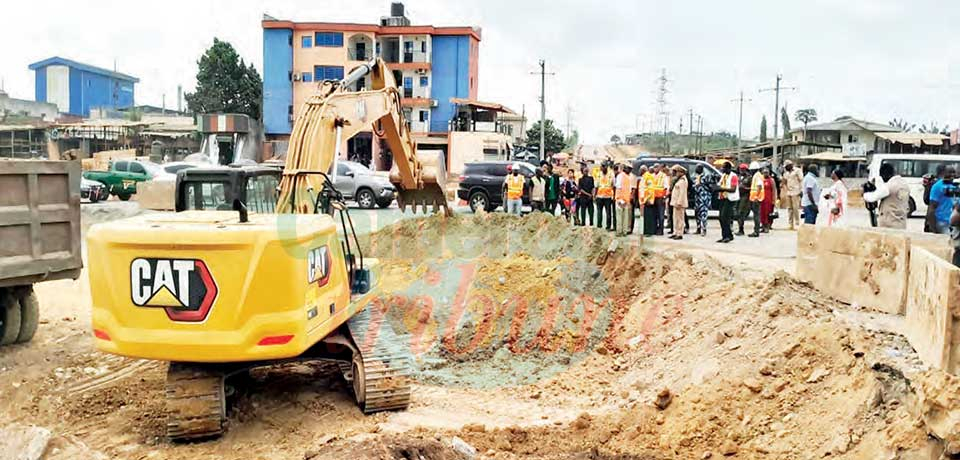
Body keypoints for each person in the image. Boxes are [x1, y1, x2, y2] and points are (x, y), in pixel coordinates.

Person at [864, 163, 910, 229]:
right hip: (901, 223)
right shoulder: (904, 184)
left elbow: (873, 197)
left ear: (886, 175)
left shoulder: (889, 187)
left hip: (889, 224)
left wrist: (864, 194)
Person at [927, 166, 958, 235]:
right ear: (943, 173)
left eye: (953, 172)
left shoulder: (955, 186)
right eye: (949, 172)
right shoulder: (937, 186)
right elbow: (931, 208)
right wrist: (934, 229)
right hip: (942, 223)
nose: (952, 175)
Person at [716, 161, 740, 243]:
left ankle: (727, 236)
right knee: (721, 218)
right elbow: (720, 184)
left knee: (725, 217)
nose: (722, 169)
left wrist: (721, 189)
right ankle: (726, 236)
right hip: (723, 198)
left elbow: (733, 189)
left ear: (728, 168)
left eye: (724, 167)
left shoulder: (734, 176)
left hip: (730, 199)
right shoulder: (724, 175)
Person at [780, 160, 803, 230]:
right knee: (789, 208)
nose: (785, 168)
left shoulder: (797, 171)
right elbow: (784, 182)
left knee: (795, 208)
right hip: (789, 192)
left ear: (790, 165)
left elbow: (801, 180)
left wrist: (801, 190)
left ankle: (797, 223)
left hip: (796, 191)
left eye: (786, 166)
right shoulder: (786, 173)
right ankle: (790, 224)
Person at [669, 165, 689, 240]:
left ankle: (679, 233)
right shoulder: (679, 180)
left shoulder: (683, 181)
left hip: (679, 203)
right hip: (675, 202)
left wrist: (679, 202)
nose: (676, 173)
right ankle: (675, 232)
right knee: (675, 218)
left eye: (677, 172)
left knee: (680, 218)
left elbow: (682, 193)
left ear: (681, 172)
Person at [747, 162, 765, 237]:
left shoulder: (757, 176)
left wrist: (756, 197)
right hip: (756, 198)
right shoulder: (757, 175)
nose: (750, 171)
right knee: (756, 215)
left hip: (756, 199)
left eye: (751, 170)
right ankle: (756, 230)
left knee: (756, 215)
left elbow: (759, 186)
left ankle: (756, 231)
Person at [693, 164, 712, 237]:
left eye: (698, 168)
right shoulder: (696, 177)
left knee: (703, 213)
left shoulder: (705, 177)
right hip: (697, 197)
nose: (696, 169)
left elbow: (708, 186)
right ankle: (698, 228)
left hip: (704, 197)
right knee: (697, 213)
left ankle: (704, 229)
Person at [614, 163, 633, 236]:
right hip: (626, 200)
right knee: (625, 217)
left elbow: (618, 187)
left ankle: (619, 231)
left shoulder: (619, 176)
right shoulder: (628, 178)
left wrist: (619, 199)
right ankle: (625, 231)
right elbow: (629, 190)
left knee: (619, 217)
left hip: (620, 199)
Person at [595, 162, 615, 230]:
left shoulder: (611, 174)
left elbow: (613, 185)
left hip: (608, 196)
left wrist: (614, 196)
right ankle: (599, 226)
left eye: (604, 166)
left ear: (607, 167)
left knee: (608, 213)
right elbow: (596, 186)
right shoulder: (598, 174)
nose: (603, 168)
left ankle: (608, 226)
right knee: (599, 212)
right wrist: (595, 196)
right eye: (602, 166)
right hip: (599, 196)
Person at [651, 164, 668, 235]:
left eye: (656, 167)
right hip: (653, 198)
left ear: (659, 168)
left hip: (660, 198)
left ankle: (661, 230)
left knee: (661, 215)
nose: (655, 169)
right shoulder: (651, 176)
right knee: (654, 215)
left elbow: (666, 187)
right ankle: (654, 229)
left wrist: (664, 197)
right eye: (654, 167)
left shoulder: (663, 176)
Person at [736, 163, 752, 235]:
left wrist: (745, 188)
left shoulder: (749, 178)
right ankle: (740, 228)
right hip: (737, 196)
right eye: (740, 169)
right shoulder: (737, 177)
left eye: (743, 169)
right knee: (737, 213)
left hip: (745, 196)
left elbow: (752, 188)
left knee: (741, 212)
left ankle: (741, 229)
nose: (741, 171)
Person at [760, 167, 777, 233]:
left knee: (768, 213)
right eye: (764, 173)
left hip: (769, 199)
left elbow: (774, 190)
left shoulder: (771, 180)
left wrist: (774, 199)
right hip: (762, 199)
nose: (765, 174)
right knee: (762, 213)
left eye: (767, 173)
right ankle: (763, 226)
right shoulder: (761, 180)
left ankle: (768, 226)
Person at [641, 166, 657, 236]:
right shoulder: (644, 176)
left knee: (649, 217)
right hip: (645, 200)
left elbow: (650, 189)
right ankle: (646, 231)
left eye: (640, 170)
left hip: (648, 200)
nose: (639, 171)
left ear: (643, 170)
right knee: (646, 217)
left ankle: (649, 232)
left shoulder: (648, 177)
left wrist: (647, 199)